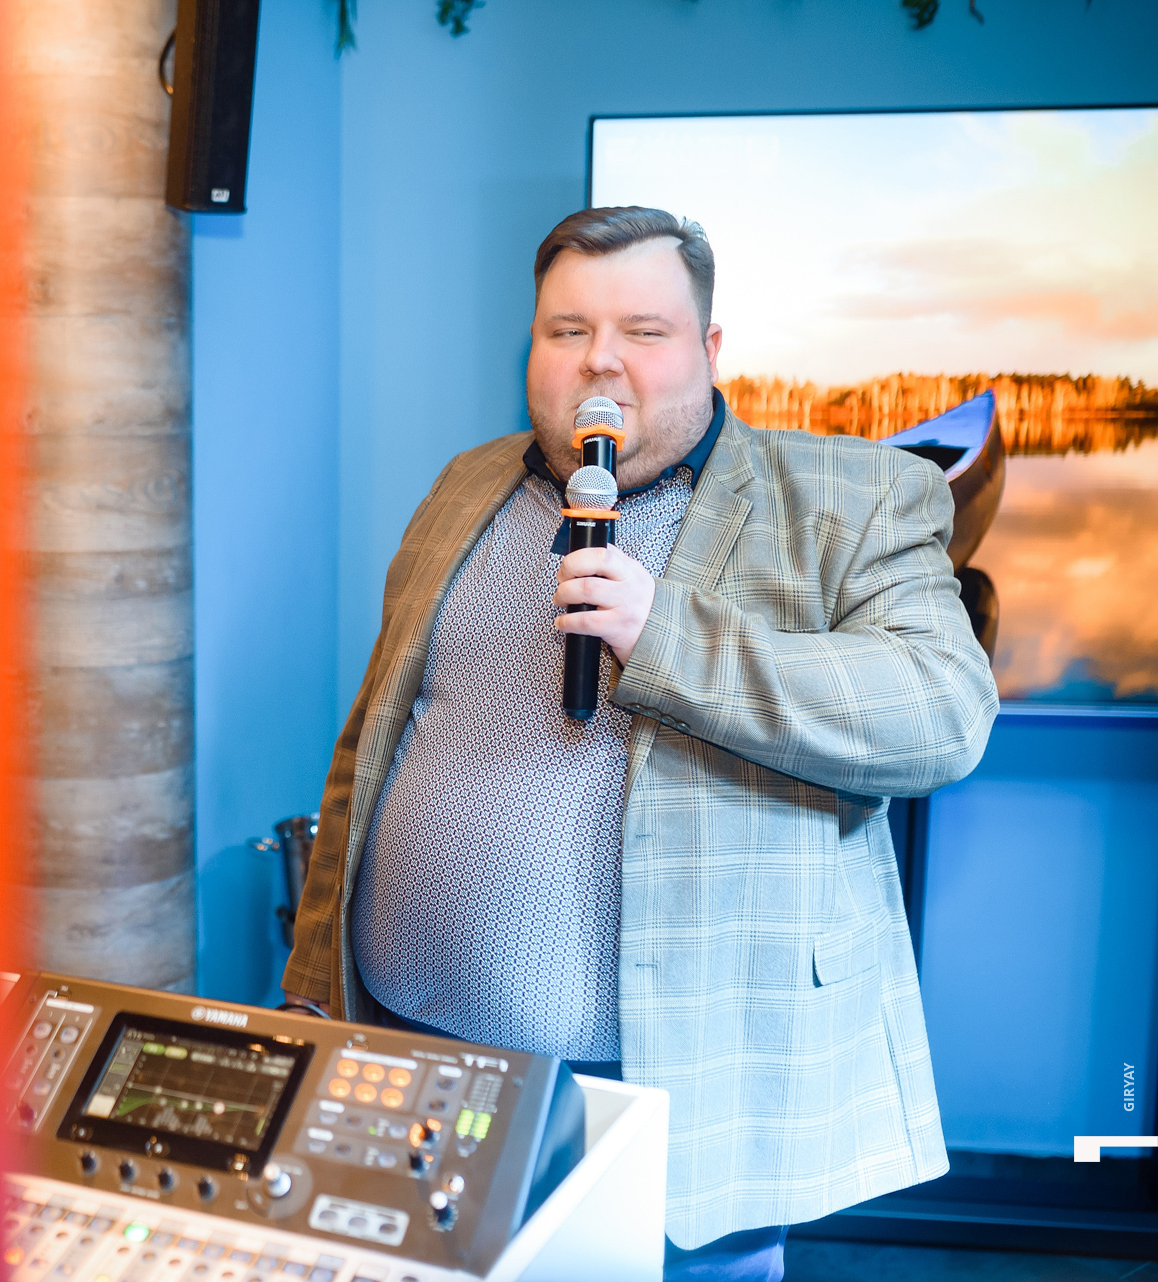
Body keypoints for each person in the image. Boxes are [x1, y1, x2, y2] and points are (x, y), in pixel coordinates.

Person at [279, 207, 998, 1280]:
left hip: (674, 1088)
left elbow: (941, 714)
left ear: (709, 348)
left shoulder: (855, 497)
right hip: (414, 1046)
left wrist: (665, 634)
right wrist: (314, 971)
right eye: (567, 330)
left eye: (643, 331)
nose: (599, 360)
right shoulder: (467, 485)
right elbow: (374, 740)